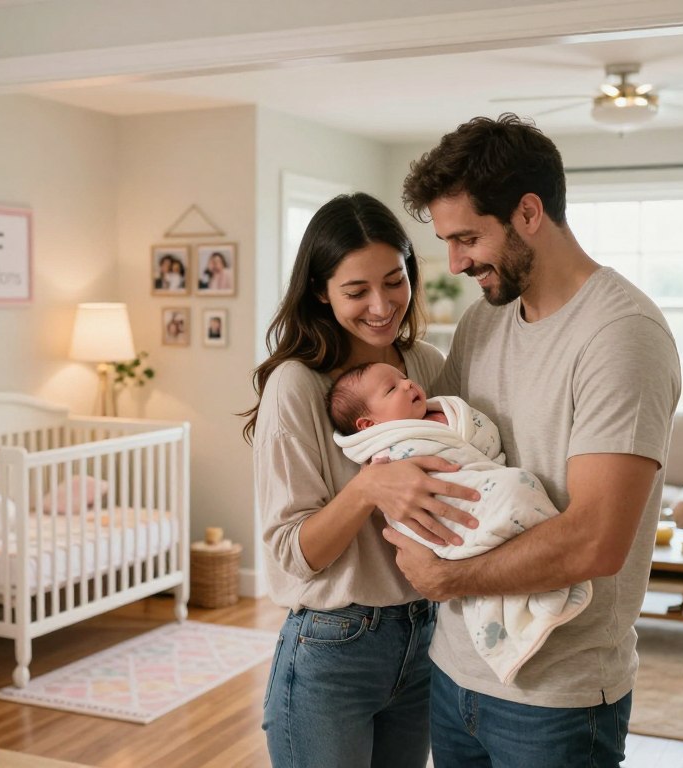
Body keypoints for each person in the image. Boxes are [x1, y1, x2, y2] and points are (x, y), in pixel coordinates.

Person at [387, 114, 681, 767]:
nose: (455, 262)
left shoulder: (621, 335)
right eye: (447, 241)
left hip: (558, 701)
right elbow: (448, 461)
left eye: (467, 238)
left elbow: (597, 540)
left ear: (527, 213)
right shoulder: (480, 324)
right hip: (455, 672)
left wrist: (446, 577)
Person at [241, 192, 480, 768]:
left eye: (395, 281)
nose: (381, 305)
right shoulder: (296, 386)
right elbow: (292, 553)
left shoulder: (424, 364)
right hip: (333, 648)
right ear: (321, 291)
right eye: (356, 291)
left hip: (427, 637)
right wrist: (369, 487)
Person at [327, 361, 593, 686]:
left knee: (515, 488)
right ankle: (535, 577)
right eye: (392, 388)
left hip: (479, 479)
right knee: (517, 489)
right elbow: (392, 491)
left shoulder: (443, 412)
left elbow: (485, 443)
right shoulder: (384, 451)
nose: (408, 385)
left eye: (404, 378)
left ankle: (536, 564)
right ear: (369, 423)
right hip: (442, 513)